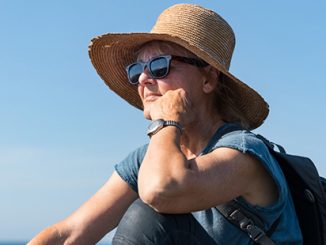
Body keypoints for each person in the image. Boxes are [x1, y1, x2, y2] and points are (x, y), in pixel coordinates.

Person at [28, 3, 303, 244]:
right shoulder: (148, 159)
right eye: (137, 71)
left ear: (208, 78)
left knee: (144, 217)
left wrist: (167, 120)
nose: (144, 80)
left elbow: (161, 191)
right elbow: (70, 234)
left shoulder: (243, 153)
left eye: (160, 66)